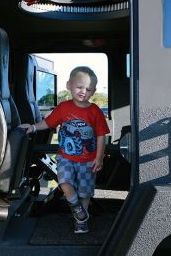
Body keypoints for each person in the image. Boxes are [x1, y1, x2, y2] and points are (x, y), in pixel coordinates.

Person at [20, 66, 110, 234]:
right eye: (79, 87)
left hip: (88, 159)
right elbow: (48, 123)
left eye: (88, 89)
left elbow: (100, 135)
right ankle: (76, 207)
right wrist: (32, 127)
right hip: (66, 157)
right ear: (69, 85)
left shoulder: (95, 111)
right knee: (65, 182)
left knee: (85, 191)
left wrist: (99, 157)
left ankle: (81, 220)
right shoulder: (63, 108)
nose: (83, 91)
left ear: (93, 91)